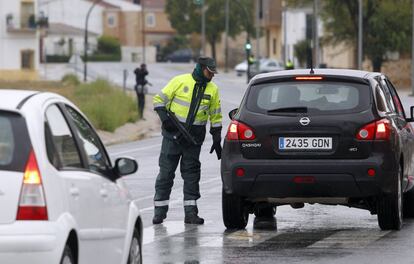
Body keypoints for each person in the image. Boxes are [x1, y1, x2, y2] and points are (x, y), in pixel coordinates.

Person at [152, 56, 223, 225]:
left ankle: (191, 213)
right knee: (166, 174)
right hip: (173, 137)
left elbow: (216, 114)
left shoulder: (212, 89)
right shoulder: (179, 81)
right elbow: (158, 100)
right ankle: (159, 212)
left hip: (193, 140)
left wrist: (216, 136)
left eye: (214, 73)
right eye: (209, 72)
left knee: (191, 176)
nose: (212, 76)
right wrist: (165, 120)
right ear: (201, 68)